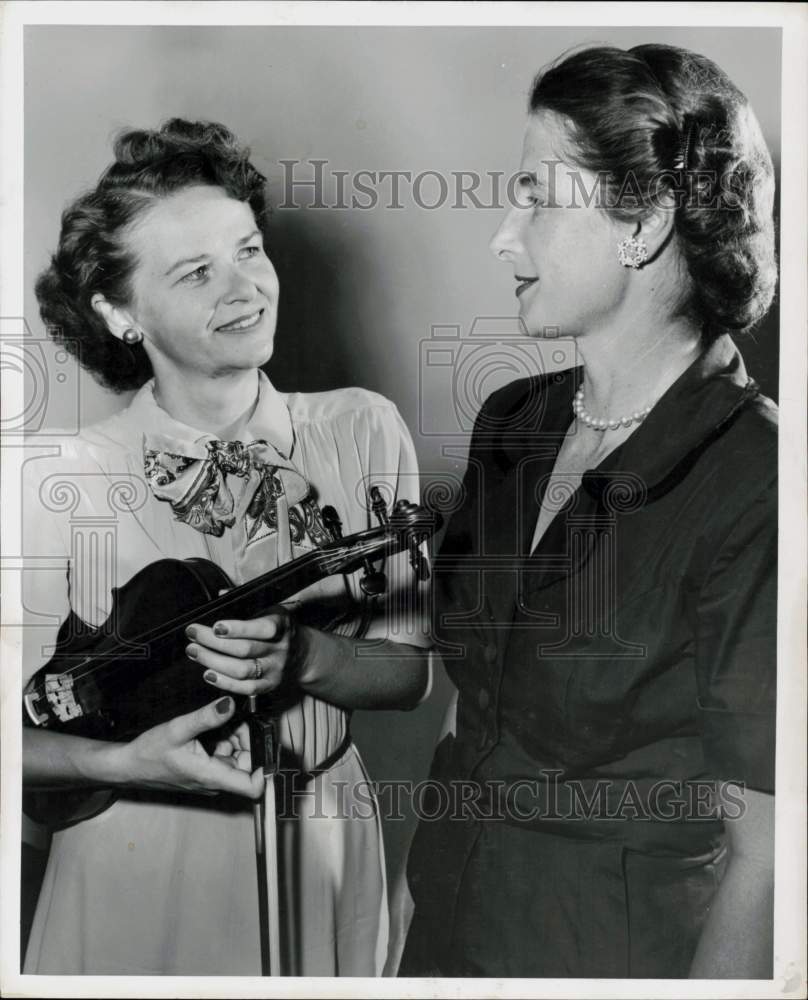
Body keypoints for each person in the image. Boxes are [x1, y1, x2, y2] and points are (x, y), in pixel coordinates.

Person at [396, 43, 777, 979]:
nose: (502, 234)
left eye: (535, 194)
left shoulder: (760, 478)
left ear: (641, 221)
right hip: (444, 939)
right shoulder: (513, 423)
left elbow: (770, 856)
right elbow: (473, 712)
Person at [21, 119, 430, 976]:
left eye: (248, 250)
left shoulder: (363, 428)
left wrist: (307, 658)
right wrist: (121, 760)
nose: (243, 289)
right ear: (118, 312)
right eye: (196, 272)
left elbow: (408, 673)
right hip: (140, 858)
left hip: (322, 833)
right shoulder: (60, 479)